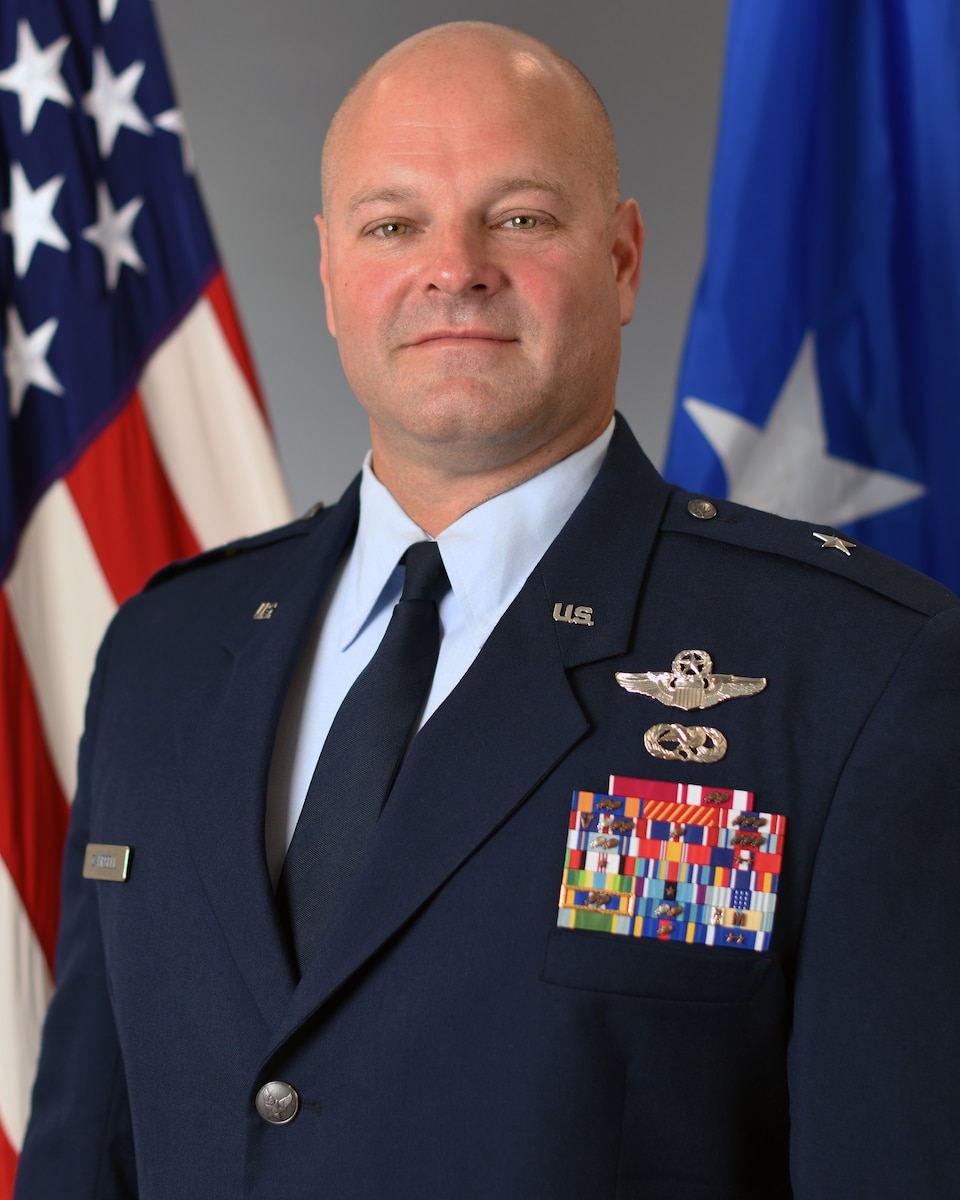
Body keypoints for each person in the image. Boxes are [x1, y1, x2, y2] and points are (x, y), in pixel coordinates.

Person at [15, 21, 960, 1200]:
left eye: (518, 217)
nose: (452, 267)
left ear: (621, 261)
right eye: (393, 224)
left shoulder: (854, 673)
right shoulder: (164, 651)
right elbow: (84, 1158)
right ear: (329, 272)